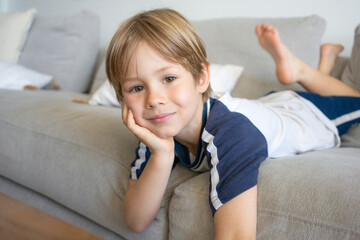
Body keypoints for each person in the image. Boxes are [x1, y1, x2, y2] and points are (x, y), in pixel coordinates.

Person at [105, 8, 360, 239]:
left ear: (202, 78)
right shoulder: (156, 126)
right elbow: (136, 221)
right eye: (137, 87)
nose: (154, 100)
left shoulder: (233, 133)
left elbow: (237, 235)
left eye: (169, 78)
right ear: (122, 99)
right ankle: (320, 65)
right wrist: (162, 153)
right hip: (265, 106)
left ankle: (302, 71)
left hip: (306, 115)